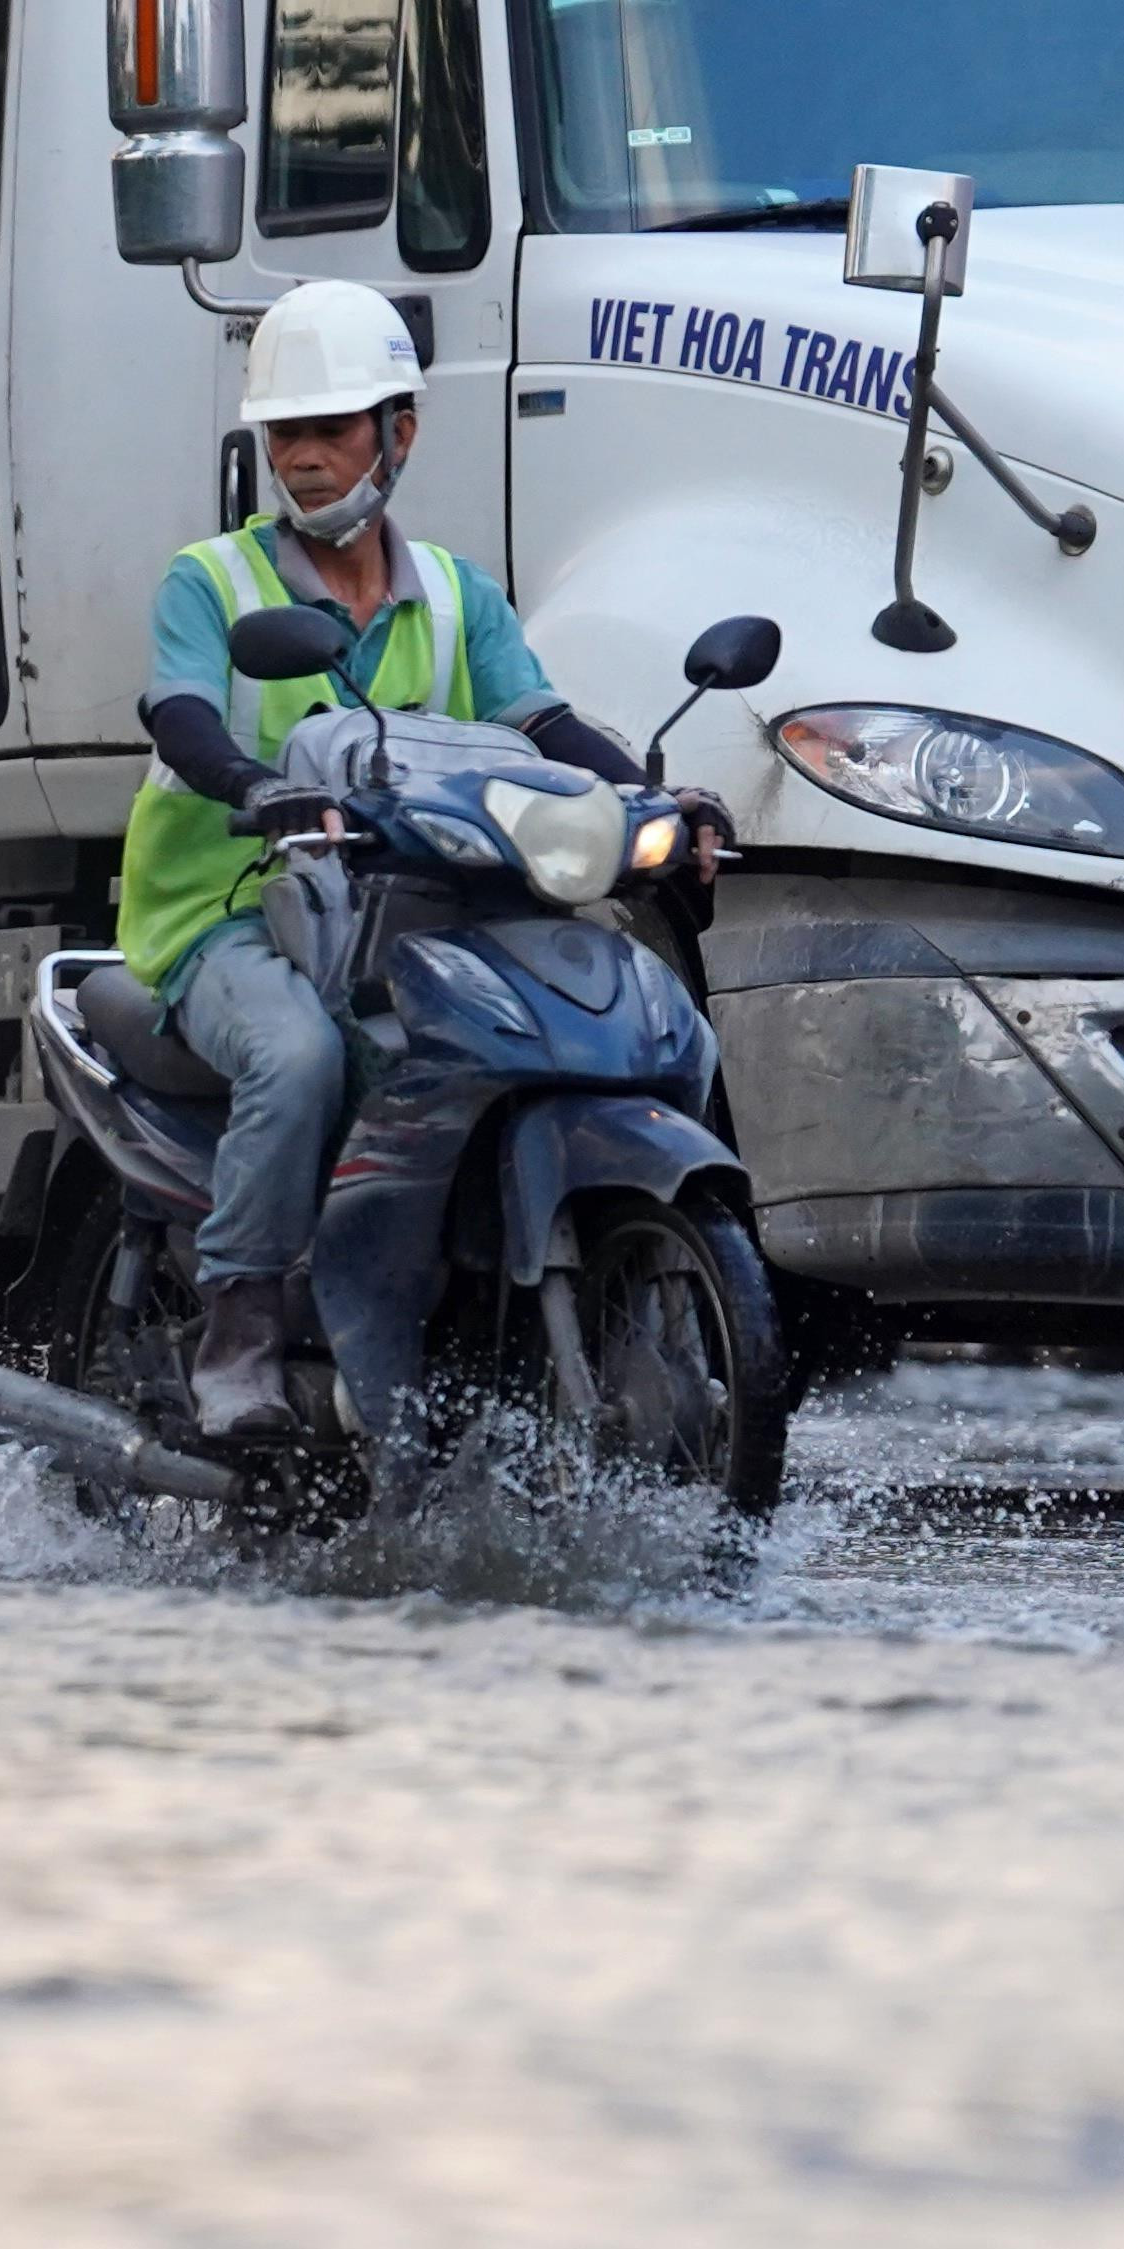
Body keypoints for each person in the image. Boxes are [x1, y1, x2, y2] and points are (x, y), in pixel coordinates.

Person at [115, 279, 715, 1442]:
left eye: (331, 430)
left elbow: (545, 726)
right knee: (298, 1058)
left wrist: (648, 800)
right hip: (228, 914)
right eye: (285, 432)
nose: (303, 458)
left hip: (410, 918)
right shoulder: (212, 580)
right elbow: (179, 715)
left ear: (400, 431)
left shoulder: (451, 591)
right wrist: (257, 788)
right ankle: (238, 1340)